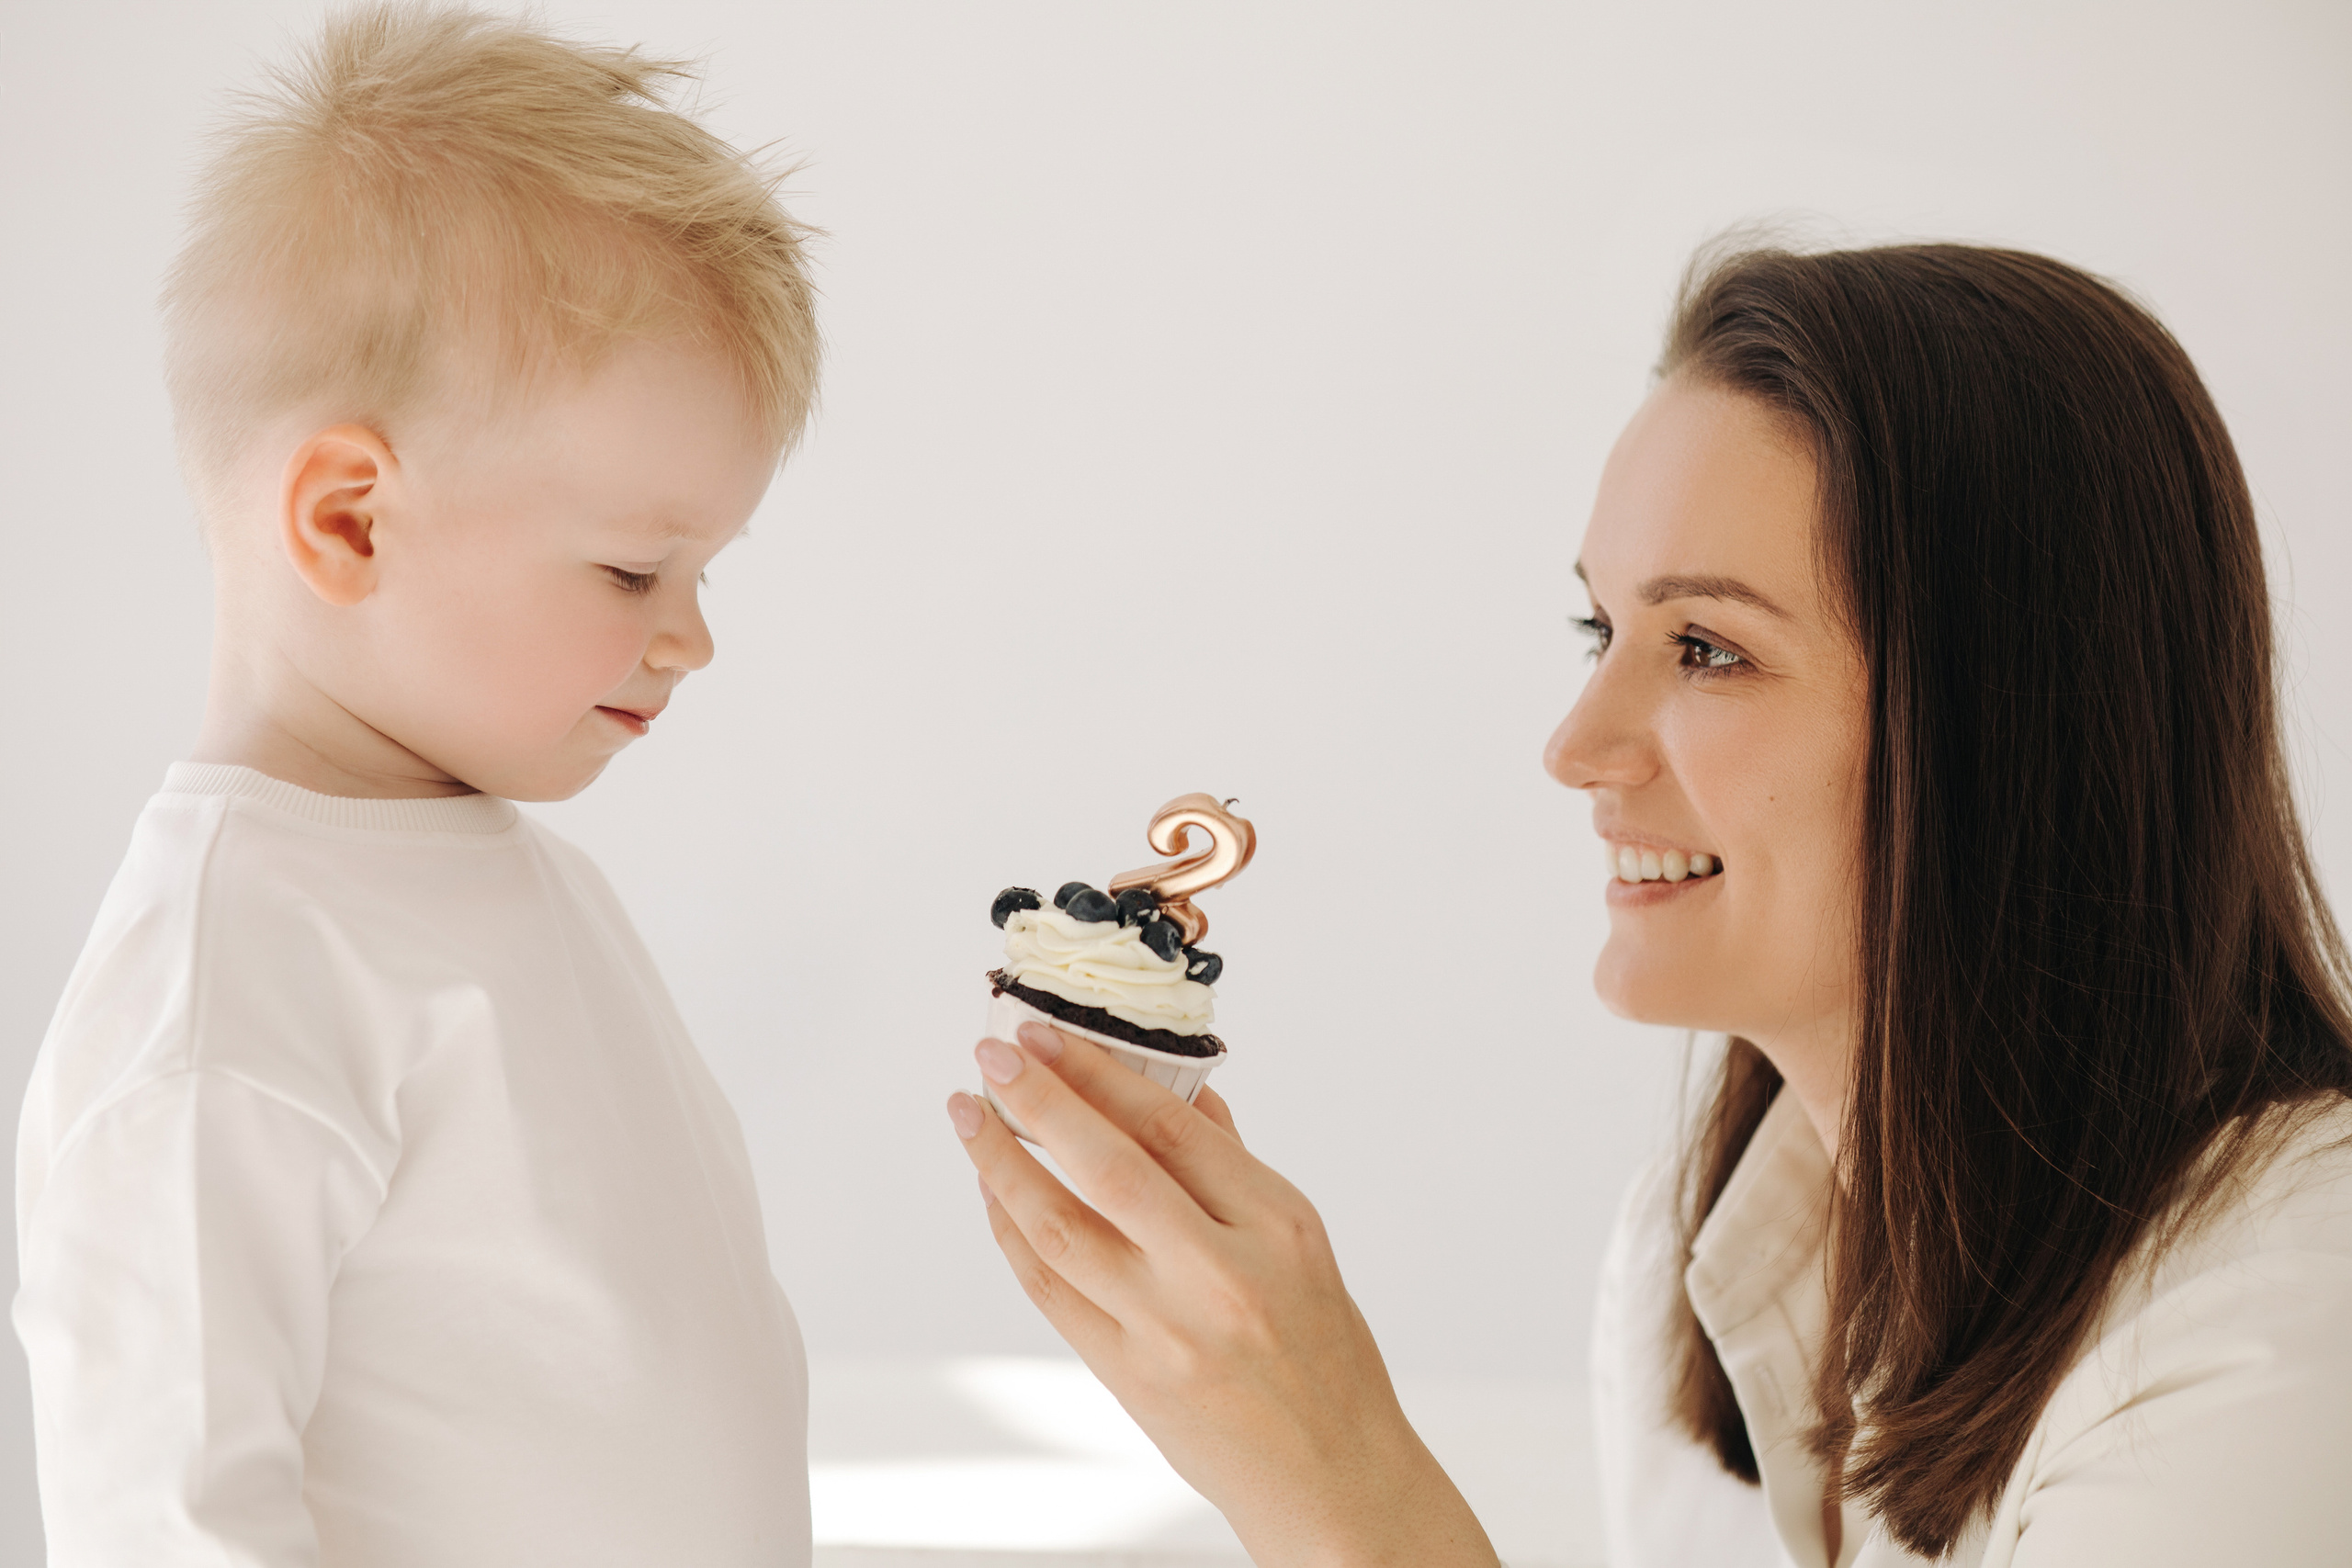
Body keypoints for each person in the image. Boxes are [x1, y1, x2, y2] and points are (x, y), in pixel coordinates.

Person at [948, 241, 2352, 1567]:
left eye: (1707, 648)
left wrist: (1345, 1491)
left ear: (2015, 728)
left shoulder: (2293, 1314)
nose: (1576, 748)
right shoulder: (1687, 1260)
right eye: (1599, 630)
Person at [13, 6, 820, 1562]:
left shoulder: (504, 876)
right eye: (638, 569)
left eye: (704, 571)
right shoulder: (229, 986)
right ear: (353, 524)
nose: (692, 637)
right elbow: (166, 1516)